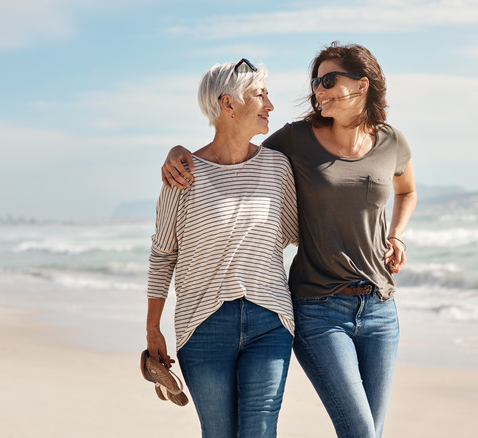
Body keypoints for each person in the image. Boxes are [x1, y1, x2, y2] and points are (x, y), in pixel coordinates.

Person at [162, 42, 417, 438]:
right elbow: (235, 154)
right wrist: (180, 152)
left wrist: (397, 235)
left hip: (381, 305)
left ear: (362, 84)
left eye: (329, 80)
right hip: (318, 307)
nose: (319, 90)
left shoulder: (391, 141)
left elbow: (407, 191)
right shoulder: (295, 140)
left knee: (372, 432)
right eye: (316, 82)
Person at [146, 58, 299, 438]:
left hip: (271, 320)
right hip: (203, 326)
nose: (270, 105)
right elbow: (163, 254)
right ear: (228, 104)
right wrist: (153, 330)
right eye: (260, 95)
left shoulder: (278, 167)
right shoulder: (183, 172)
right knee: (219, 433)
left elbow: (299, 234)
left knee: (260, 428)